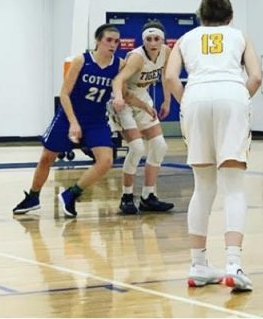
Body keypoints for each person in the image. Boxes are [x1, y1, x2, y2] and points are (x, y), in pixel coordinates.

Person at [164, 0, 262, 293]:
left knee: (203, 186)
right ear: (229, 17)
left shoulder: (185, 39)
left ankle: (198, 264)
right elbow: (256, 77)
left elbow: (169, 78)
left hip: (195, 98)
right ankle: (233, 264)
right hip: (231, 96)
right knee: (233, 186)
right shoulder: (239, 35)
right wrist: (238, 100)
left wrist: (187, 102)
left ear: (200, 17)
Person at [12, 24, 121, 218]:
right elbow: (64, 94)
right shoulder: (82, 60)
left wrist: (142, 104)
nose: (113, 44)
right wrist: (73, 122)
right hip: (69, 114)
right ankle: (33, 197)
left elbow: (125, 87)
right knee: (47, 157)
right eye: (109, 40)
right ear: (98, 41)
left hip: (96, 119)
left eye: (116, 41)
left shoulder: (118, 65)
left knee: (105, 161)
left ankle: (71, 193)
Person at [110, 21, 175, 215]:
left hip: (143, 96)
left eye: (157, 39)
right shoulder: (137, 57)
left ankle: (148, 196)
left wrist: (167, 101)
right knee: (137, 148)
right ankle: (127, 196)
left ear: (163, 40)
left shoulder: (166, 52)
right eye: (148, 39)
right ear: (143, 40)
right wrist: (120, 98)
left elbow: (166, 76)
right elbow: (118, 80)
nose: (153, 42)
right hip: (125, 100)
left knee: (160, 146)